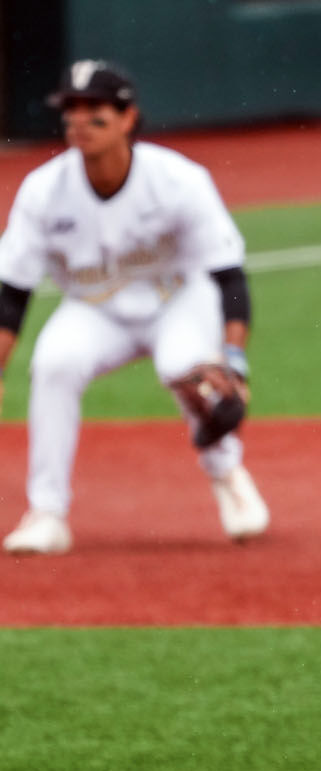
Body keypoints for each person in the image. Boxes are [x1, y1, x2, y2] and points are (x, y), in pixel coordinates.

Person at [0, 60, 268, 555]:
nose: (80, 120)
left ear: (127, 117)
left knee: (183, 366)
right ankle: (47, 513)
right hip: (95, 309)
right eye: (71, 109)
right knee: (54, 363)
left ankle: (228, 475)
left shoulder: (178, 180)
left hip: (178, 300)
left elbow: (229, 276)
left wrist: (234, 359)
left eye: (94, 109)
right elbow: (12, 292)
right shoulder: (44, 190)